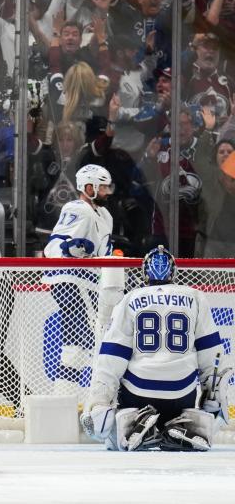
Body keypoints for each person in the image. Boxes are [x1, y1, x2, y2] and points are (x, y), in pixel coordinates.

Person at [81, 246, 229, 451]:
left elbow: (114, 353)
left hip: (139, 394)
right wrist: (212, 399)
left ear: (144, 272)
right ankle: (184, 425)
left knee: (111, 441)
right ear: (173, 272)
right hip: (181, 395)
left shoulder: (131, 298)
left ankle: (137, 424)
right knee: (202, 404)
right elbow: (212, 353)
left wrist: (100, 399)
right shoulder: (194, 297)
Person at [43, 163, 114, 393]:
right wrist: (68, 248)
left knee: (86, 339)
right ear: (89, 187)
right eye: (102, 187)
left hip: (91, 282)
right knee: (80, 336)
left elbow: (104, 253)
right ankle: (63, 394)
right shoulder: (76, 208)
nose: (107, 192)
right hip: (69, 280)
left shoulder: (105, 215)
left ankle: (68, 392)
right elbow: (52, 246)